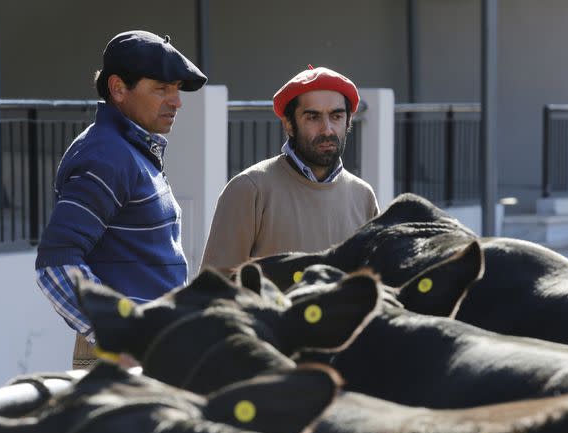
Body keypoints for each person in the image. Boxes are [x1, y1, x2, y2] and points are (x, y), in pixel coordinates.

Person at [35, 30, 207, 369]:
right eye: (161, 88)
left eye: (176, 88)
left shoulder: (129, 150)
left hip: (153, 351)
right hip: (123, 361)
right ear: (118, 88)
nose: (176, 100)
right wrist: (119, 337)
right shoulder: (107, 155)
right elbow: (54, 264)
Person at [200, 66, 380, 275]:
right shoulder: (249, 189)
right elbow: (213, 289)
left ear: (348, 121)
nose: (327, 129)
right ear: (289, 124)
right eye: (313, 117)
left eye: (336, 116)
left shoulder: (363, 196)